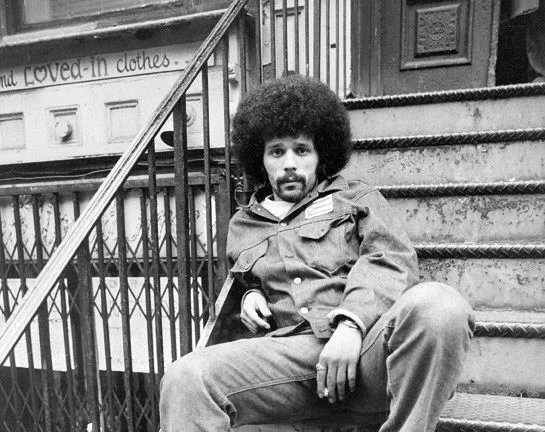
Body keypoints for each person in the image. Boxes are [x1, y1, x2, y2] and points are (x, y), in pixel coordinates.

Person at [160, 75, 475, 432]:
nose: (289, 164)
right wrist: (249, 295)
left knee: (440, 306)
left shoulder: (355, 199)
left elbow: (390, 259)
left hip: (366, 354)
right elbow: (238, 285)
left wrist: (351, 325)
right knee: (186, 376)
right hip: (290, 363)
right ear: (260, 160)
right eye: (277, 152)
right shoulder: (243, 224)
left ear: (320, 154)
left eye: (301, 150)